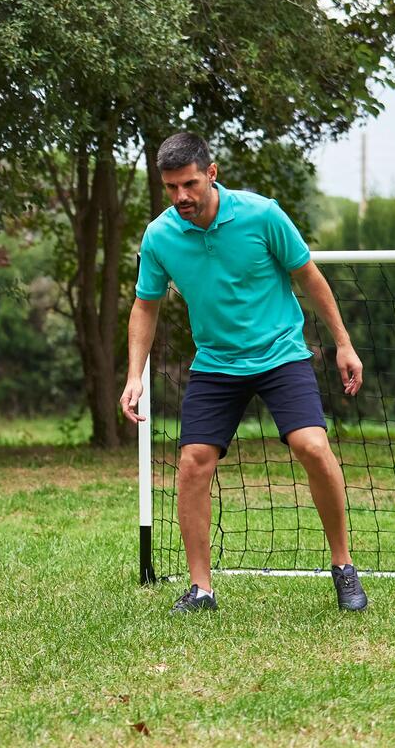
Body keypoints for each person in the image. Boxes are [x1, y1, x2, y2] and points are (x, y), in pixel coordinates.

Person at [119, 133, 371, 614]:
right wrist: (135, 375)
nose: (181, 198)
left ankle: (343, 566)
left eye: (189, 184)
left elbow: (309, 277)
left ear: (211, 174)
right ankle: (201, 589)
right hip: (216, 363)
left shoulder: (262, 214)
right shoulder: (160, 236)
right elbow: (145, 306)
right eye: (171, 188)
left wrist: (343, 342)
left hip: (281, 354)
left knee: (312, 447)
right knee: (193, 462)